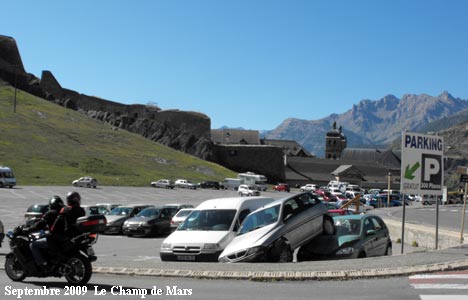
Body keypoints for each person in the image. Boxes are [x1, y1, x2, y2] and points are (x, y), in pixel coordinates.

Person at [28, 195, 64, 269]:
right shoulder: (64, 213)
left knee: (33, 245)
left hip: (54, 239)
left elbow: (40, 224)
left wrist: (29, 229)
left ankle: (43, 264)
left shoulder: (50, 213)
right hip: (64, 238)